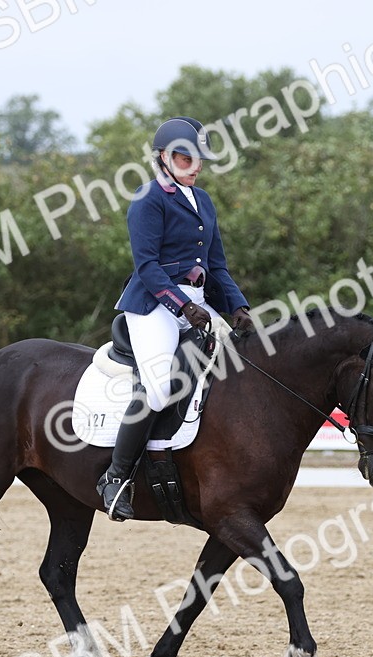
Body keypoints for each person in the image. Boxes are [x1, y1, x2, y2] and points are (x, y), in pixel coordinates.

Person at [96, 116, 255, 521]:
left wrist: (238, 307)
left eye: (199, 158)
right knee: (159, 385)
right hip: (153, 306)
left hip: (198, 303)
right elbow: (148, 267)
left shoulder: (203, 201)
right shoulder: (148, 198)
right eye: (185, 157)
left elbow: (216, 267)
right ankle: (115, 478)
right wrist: (182, 306)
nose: (194, 165)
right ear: (163, 158)